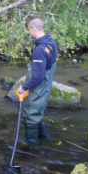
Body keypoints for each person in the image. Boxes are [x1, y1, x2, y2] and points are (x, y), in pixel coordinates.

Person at [15, 16, 58, 146]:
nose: (29, 33)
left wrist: (24, 88)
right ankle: (45, 140)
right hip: (45, 85)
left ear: (33, 28)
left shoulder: (39, 50)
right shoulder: (51, 42)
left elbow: (37, 77)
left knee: (31, 117)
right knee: (37, 113)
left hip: (39, 87)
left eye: (29, 30)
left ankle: (31, 149)